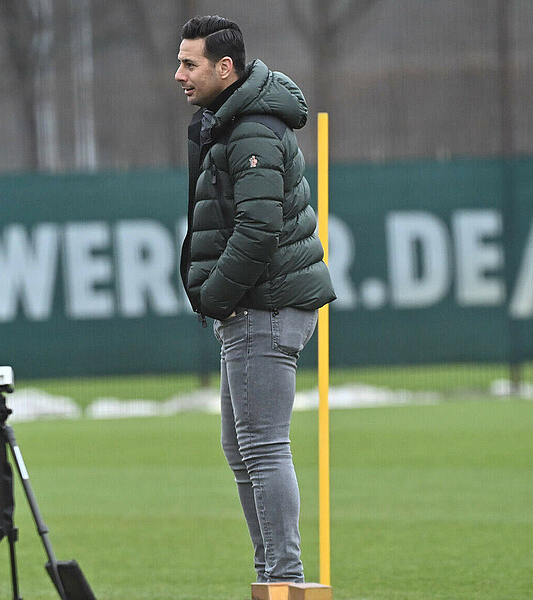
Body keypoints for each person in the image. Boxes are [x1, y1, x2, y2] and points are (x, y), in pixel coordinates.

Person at [175, 16, 336, 584]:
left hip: (262, 306)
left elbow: (258, 229)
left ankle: (284, 581)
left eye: (189, 63)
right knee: (242, 449)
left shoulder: (251, 129)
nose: (179, 75)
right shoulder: (231, 121)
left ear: (225, 68)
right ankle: (271, 573)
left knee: (263, 449)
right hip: (255, 305)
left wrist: (214, 296)